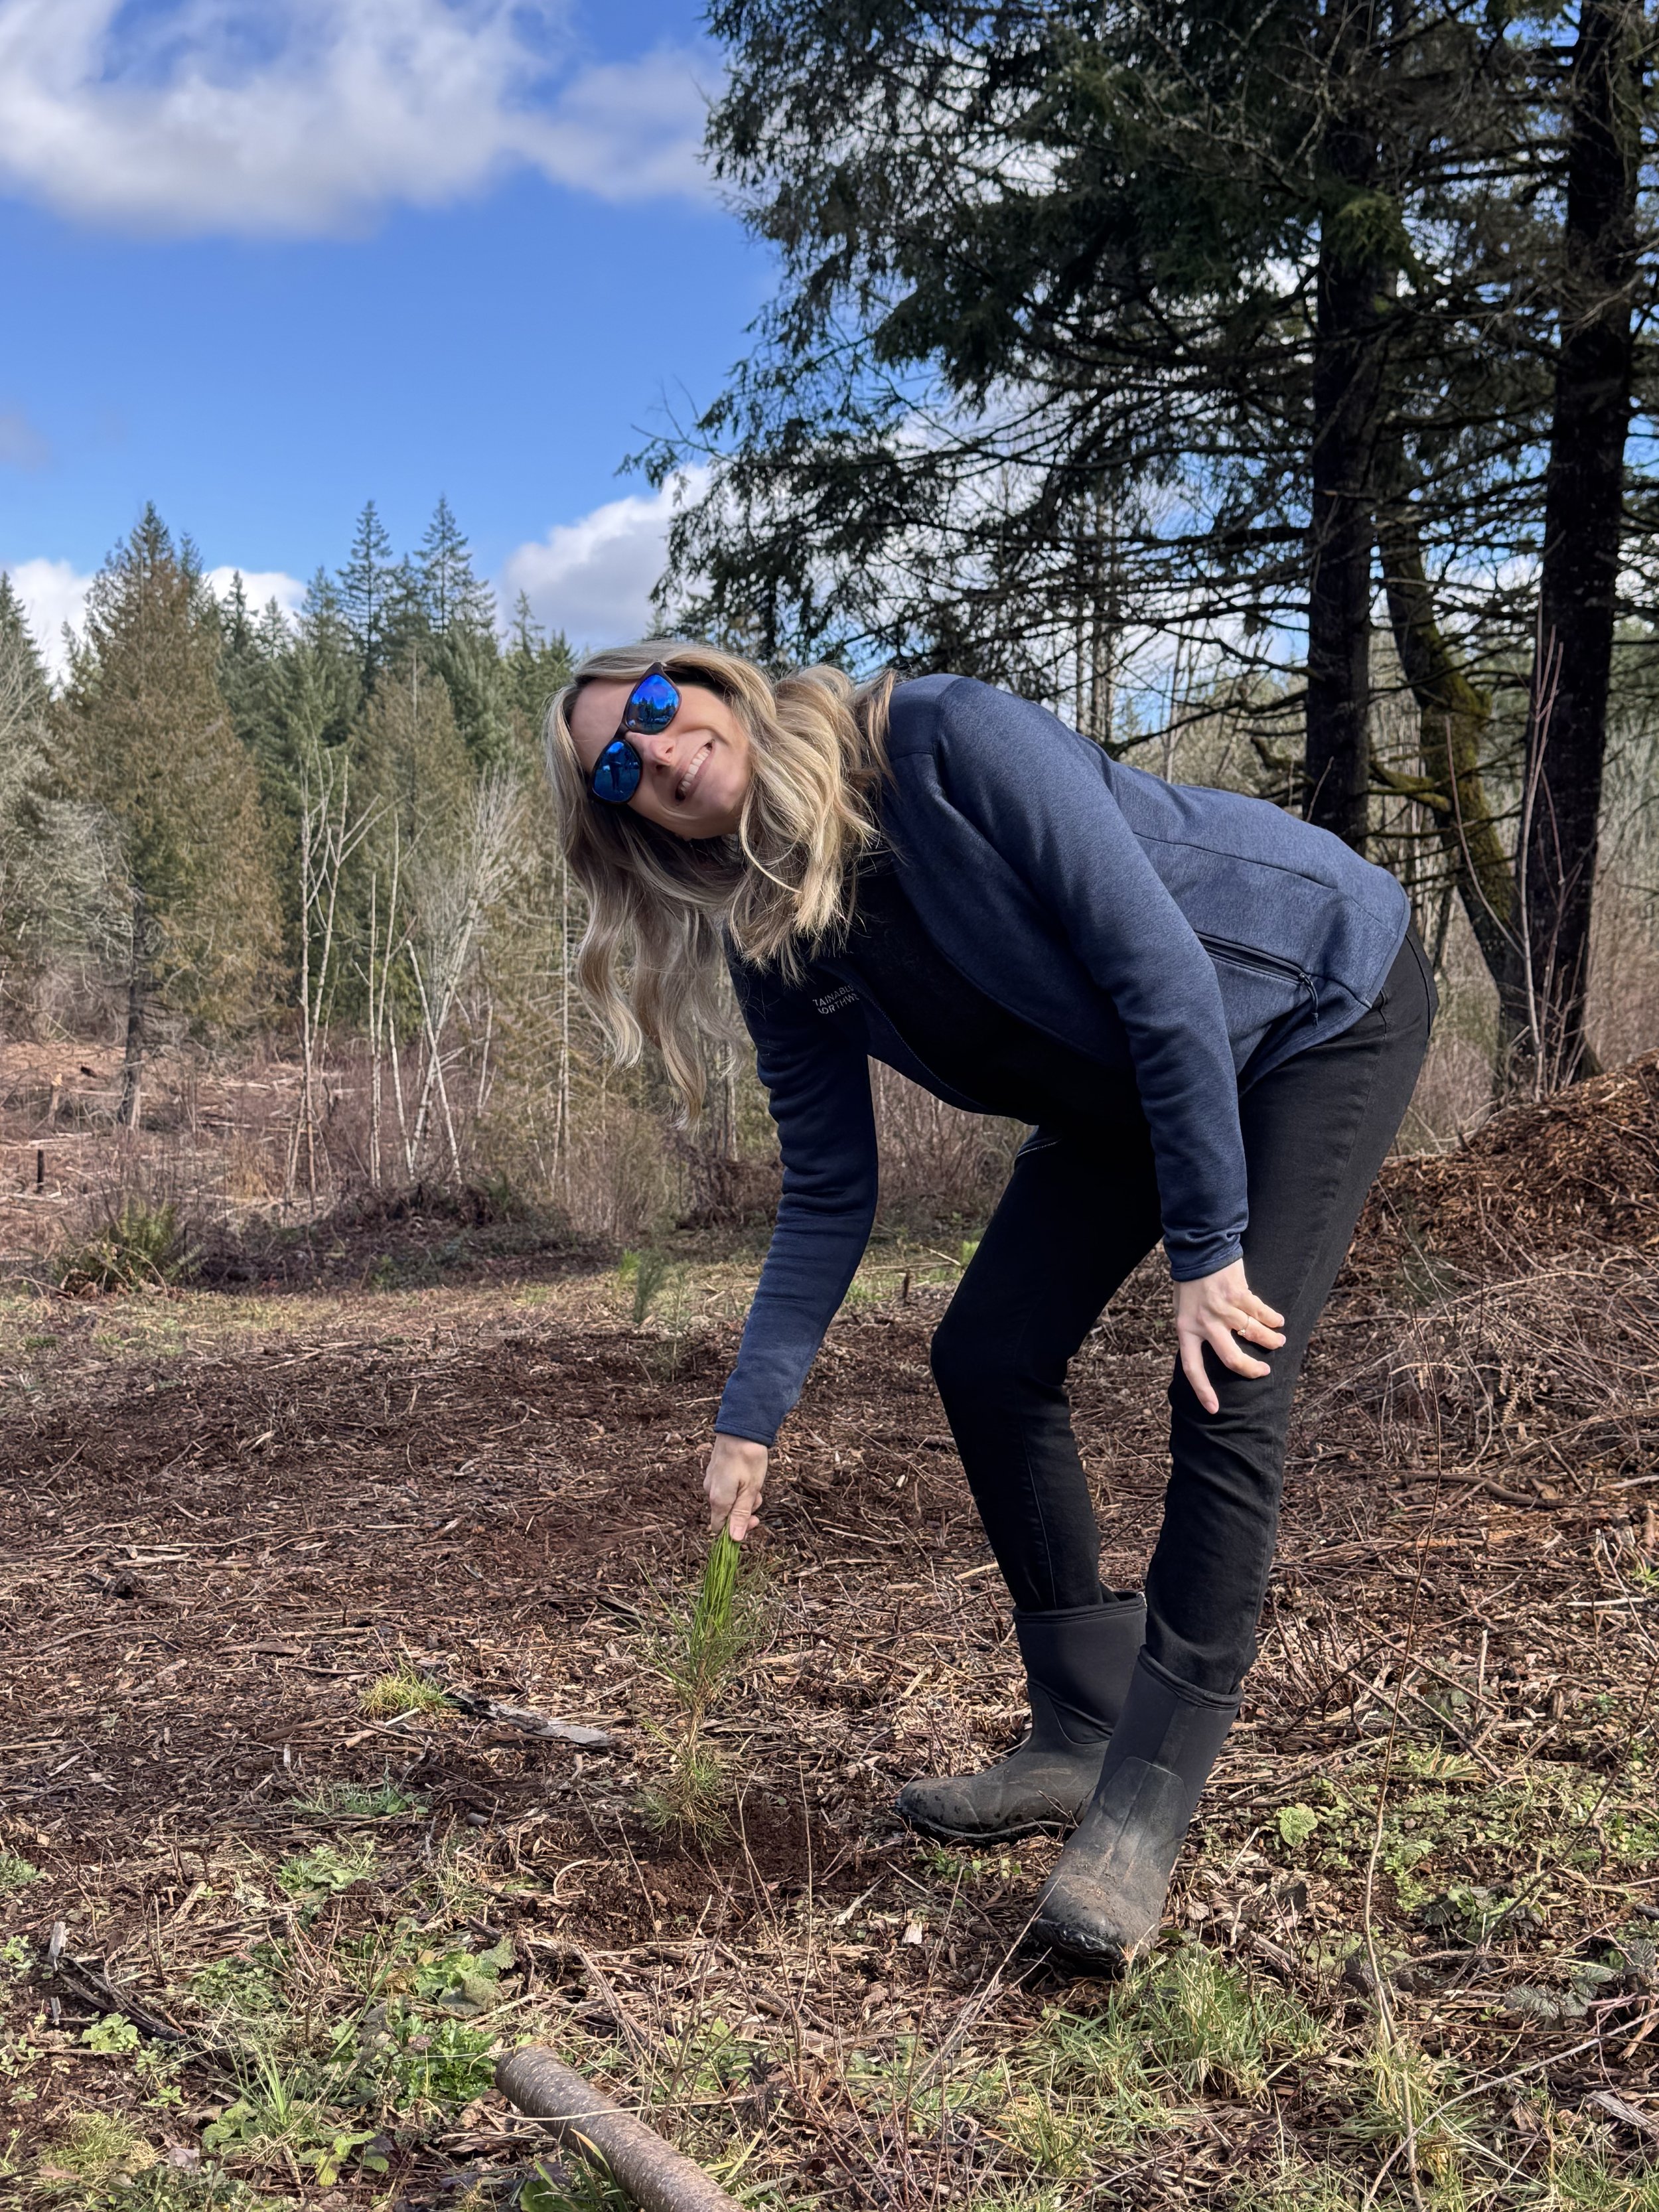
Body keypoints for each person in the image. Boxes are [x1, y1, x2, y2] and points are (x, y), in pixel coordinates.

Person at [549, 643, 1433, 1967]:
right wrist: (750, 1418)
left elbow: (1160, 973)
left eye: (661, 715)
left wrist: (1206, 1244)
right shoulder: (774, 938)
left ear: (713, 685)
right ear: (626, 819)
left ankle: (1140, 1804)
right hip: (1123, 1088)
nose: (661, 758)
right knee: (985, 1355)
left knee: (1228, 1366)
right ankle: (1078, 1733)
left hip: (1303, 1006)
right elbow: (829, 1191)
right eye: (620, 767)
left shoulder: (941, 742)